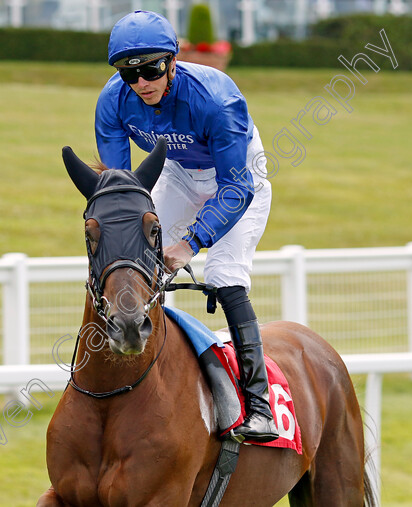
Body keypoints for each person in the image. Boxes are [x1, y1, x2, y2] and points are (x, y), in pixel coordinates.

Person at [95, 10, 278, 442]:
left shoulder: (216, 96)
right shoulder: (112, 101)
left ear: (172, 62)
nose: (142, 83)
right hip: (177, 175)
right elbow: (120, 191)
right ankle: (138, 371)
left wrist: (191, 243)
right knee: (136, 256)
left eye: (152, 69)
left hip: (237, 182)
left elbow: (236, 187)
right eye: (130, 73)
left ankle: (259, 405)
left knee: (223, 276)